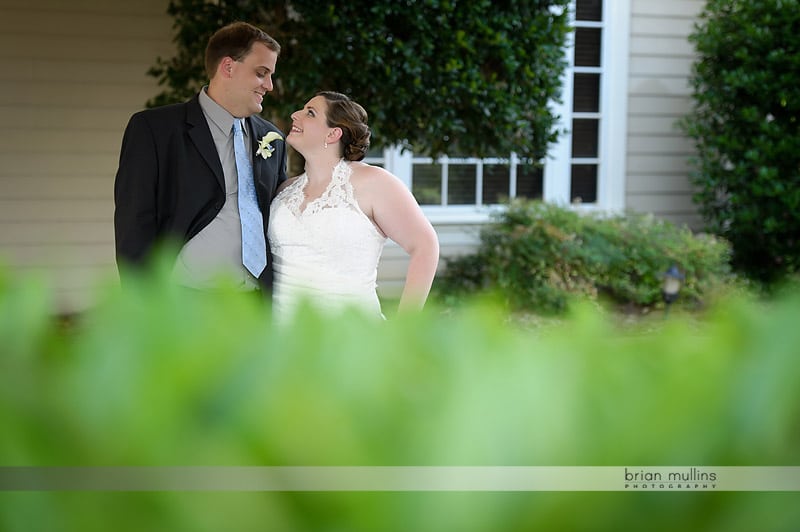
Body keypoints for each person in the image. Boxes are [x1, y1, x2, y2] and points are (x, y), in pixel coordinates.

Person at [114, 22, 288, 293]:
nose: (269, 86)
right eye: (261, 73)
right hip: (182, 298)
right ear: (228, 67)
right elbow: (135, 221)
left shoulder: (272, 139)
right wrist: (141, 304)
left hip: (256, 301)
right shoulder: (154, 129)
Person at [268, 91, 440, 319]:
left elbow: (425, 246)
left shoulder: (375, 183)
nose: (295, 115)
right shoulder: (284, 190)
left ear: (333, 134)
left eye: (310, 113)